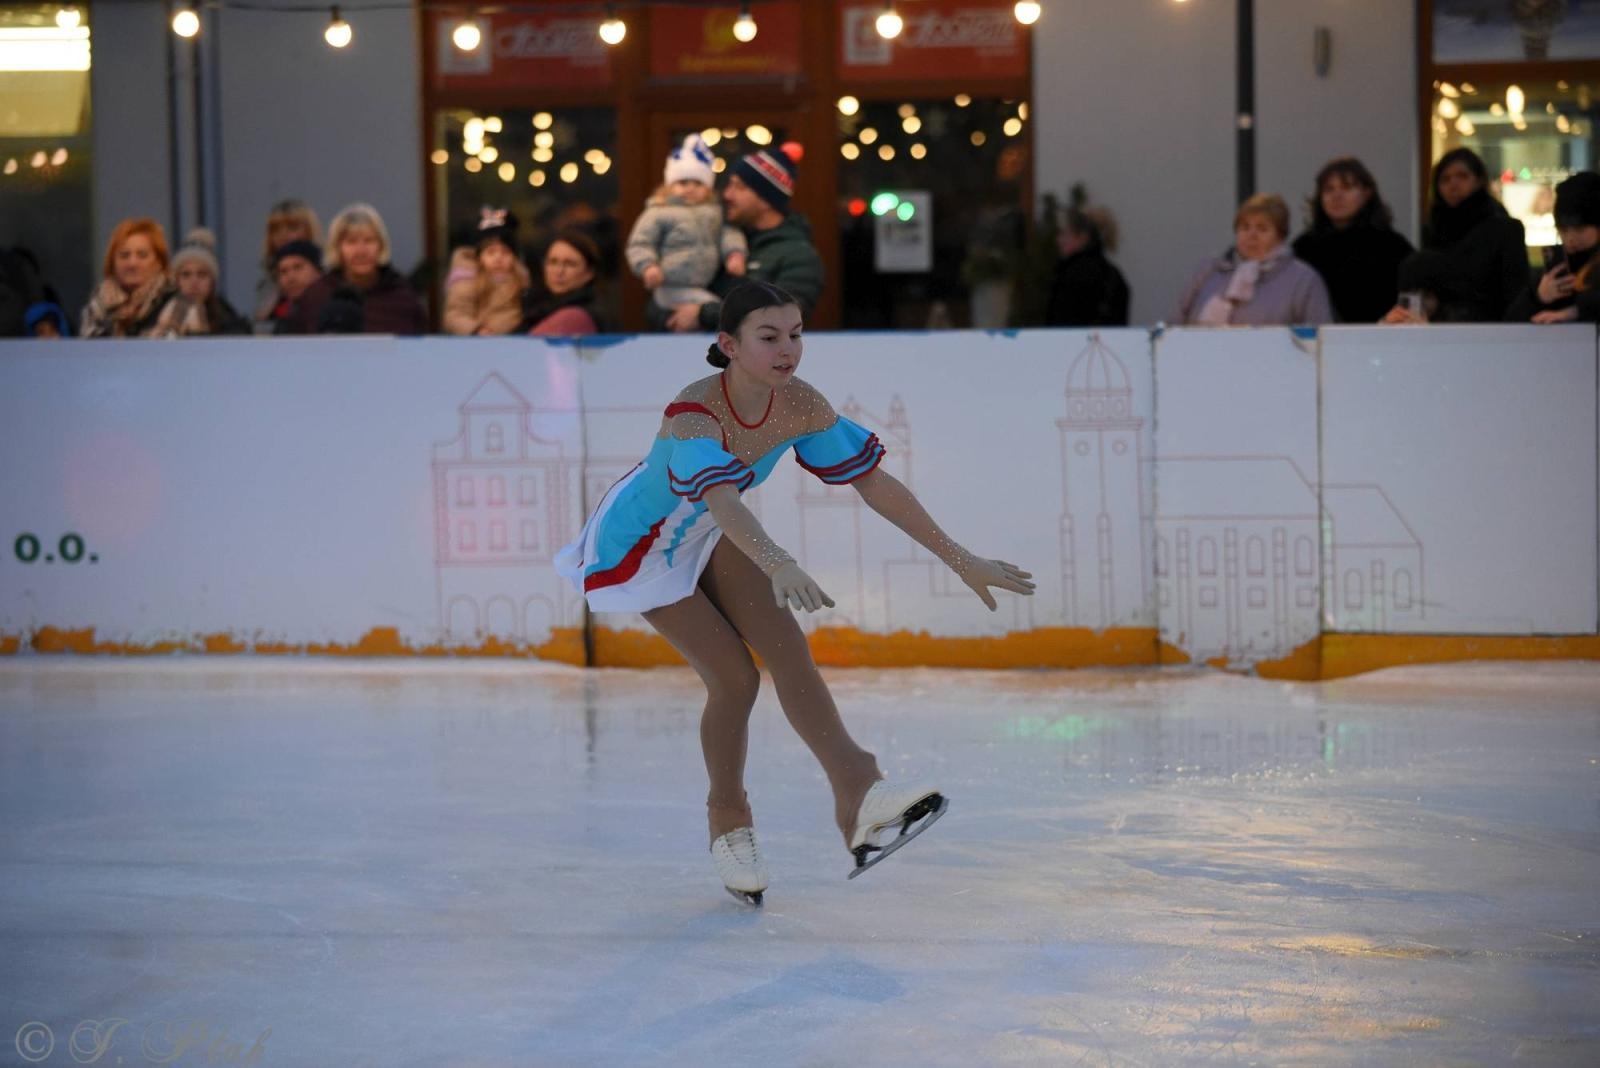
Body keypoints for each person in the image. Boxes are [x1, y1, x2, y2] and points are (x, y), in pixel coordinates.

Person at [554, 280, 1035, 904]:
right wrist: (778, 560)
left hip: (710, 530)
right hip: (641, 546)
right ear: (728, 344)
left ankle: (858, 791)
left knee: (789, 652)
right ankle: (728, 821)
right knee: (736, 680)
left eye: (797, 333)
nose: (788, 349)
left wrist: (960, 557)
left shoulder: (799, 404)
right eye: (769, 336)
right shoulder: (694, 410)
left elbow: (874, 483)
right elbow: (722, 497)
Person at [657, 142, 823, 333]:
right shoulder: (718, 238)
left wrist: (703, 315)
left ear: (766, 200)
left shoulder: (798, 256)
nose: (727, 194)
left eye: (739, 187)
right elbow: (663, 303)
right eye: (729, 184)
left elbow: (783, 315)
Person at [1384, 148, 1528, 324]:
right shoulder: (1434, 228)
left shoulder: (1504, 229)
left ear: (1479, 180)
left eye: (1462, 176)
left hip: (1491, 327)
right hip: (1438, 327)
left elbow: (1515, 293)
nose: (1453, 184)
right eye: (1445, 179)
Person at [626, 133, 747, 319]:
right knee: (719, 311)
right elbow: (640, 243)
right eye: (683, 183)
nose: (690, 188)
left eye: (698, 183)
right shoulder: (659, 211)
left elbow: (728, 233)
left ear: (708, 188)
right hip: (670, 285)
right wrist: (648, 266)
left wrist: (735, 254)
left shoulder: (713, 213)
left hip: (700, 284)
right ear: (669, 186)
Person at [1172, 193, 1332, 326]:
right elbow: (1175, 321)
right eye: (1245, 227)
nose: (1251, 235)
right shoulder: (1209, 270)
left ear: (1280, 236)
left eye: (1262, 229)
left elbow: (1318, 339)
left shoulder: (1304, 280)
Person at [1291, 157, 1414, 323]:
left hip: (1381, 340)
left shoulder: (1392, 246)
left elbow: (1410, 303)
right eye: (1328, 189)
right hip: (1316, 343)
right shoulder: (1303, 248)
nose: (1337, 195)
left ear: (1366, 193)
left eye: (1346, 187)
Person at [281, 203, 426, 335]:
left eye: (369, 240)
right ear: (337, 248)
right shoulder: (316, 296)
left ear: (381, 245)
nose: (361, 251)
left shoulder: (402, 297)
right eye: (351, 242)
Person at [1506, 171, 1600, 324]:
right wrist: (1539, 297)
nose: (1570, 238)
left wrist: (1575, 311)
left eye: (1579, 229)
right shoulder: (1557, 265)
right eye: (1563, 230)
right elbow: (1510, 321)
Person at [1044, 189, 1130, 326]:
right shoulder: (1114, 277)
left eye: (1065, 234)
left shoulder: (1069, 275)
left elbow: (1058, 323)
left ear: (1083, 237)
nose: (1059, 240)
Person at [80, 218, 177, 338]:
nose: (132, 263)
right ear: (112, 262)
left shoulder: (177, 303)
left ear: (159, 263)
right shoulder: (98, 303)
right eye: (124, 255)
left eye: (142, 255)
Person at [444, 207, 533, 336]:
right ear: (479, 257)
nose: (498, 258)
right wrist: (476, 329)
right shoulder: (468, 280)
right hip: (480, 344)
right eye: (491, 252)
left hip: (514, 341)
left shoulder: (520, 279)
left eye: (505, 252)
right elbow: (455, 315)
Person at [151, 228, 251, 337]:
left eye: (202, 274)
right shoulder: (157, 314)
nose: (194, 282)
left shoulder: (227, 318)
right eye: (186, 275)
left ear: (212, 281)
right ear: (177, 280)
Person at [522, 228, 609, 335]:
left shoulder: (576, 315)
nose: (559, 271)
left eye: (570, 264)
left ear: (589, 273)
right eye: (553, 262)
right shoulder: (536, 307)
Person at [252, 199, 322, 331]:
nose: (283, 235)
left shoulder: (329, 280)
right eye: (276, 230)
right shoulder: (267, 286)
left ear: (309, 231)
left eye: (292, 228)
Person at [264, 239, 323, 335]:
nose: (291, 278)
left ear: (318, 271)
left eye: (298, 267)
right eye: (283, 271)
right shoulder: (280, 319)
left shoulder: (335, 310)